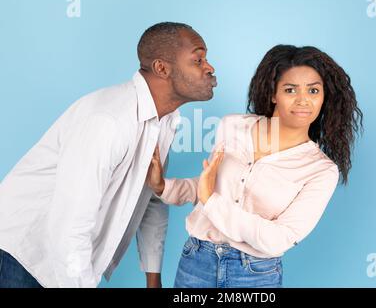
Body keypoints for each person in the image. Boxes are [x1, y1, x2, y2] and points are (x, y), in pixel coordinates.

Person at [0, 22, 217, 288]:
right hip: (23, 252)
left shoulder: (164, 121)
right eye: (198, 59)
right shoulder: (109, 120)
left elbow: (149, 197)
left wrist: (153, 277)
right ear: (162, 68)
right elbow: (69, 225)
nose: (210, 68)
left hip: (63, 255)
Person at [147, 45, 363, 288]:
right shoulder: (232, 126)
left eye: (313, 90)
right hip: (196, 261)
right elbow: (209, 186)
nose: (303, 100)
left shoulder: (321, 170)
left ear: (324, 98)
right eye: (290, 89)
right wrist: (162, 186)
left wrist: (211, 201)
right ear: (273, 94)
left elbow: (279, 238)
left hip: (254, 274)